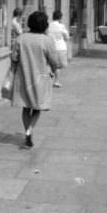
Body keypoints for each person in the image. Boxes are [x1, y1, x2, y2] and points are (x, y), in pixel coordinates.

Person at [11, 11, 62, 148]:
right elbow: (54, 61)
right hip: (41, 79)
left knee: (26, 107)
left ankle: (27, 131)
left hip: (23, 78)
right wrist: (55, 71)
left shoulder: (21, 39)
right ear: (44, 25)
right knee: (37, 108)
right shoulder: (46, 40)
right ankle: (30, 130)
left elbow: (14, 58)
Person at [46, 10, 70, 87]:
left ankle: (51, 75)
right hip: (60, 48)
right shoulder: (61, 26)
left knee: (51, 64)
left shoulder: (48, 26)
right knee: (58, 66)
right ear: (60, 17)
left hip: (51, 47)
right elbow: (67, 37)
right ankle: (56, 81)